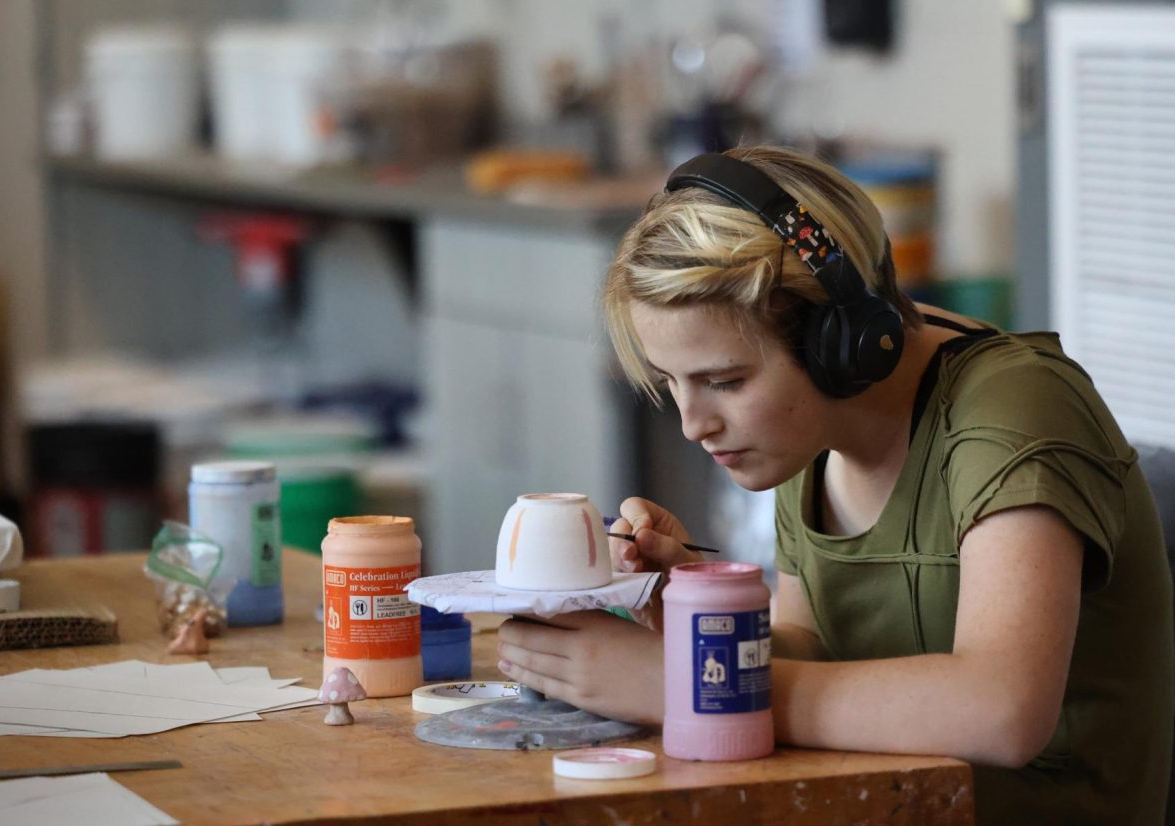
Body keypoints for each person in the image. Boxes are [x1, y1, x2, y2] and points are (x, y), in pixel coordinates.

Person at [495, 145, 1174, 824]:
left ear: (839, 343)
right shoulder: (811, 435)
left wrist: (689, 688)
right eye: (672, 384)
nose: (692, 424)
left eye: (726, 382)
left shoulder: (1015, 410)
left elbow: (1004, 710)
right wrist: (702, 627)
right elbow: (812, 647)